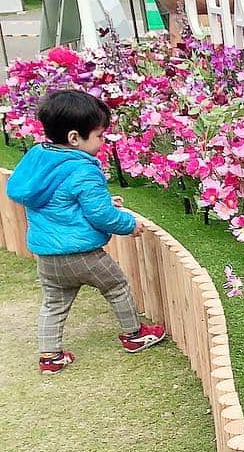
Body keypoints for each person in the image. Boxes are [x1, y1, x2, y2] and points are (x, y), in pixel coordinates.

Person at [6, 89, 167, 374]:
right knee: (116, 286)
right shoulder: (82, 169)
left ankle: (50, 356)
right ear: (74, 138)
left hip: (47, 255)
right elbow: (100, 214)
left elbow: (60, 201)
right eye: (99, 136)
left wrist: (104, 200)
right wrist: (129, 225)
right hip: (82, 253)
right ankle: (134, 335)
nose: (103, 143)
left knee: (54, 303)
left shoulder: (39, 159)